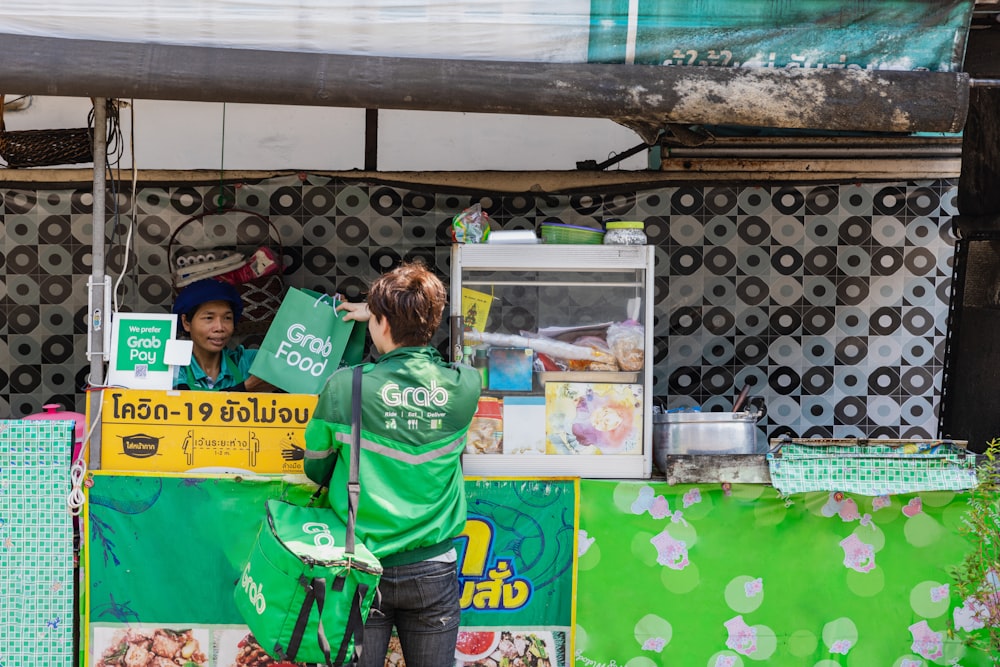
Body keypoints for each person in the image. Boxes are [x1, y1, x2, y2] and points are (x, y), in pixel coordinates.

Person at [304, 262, 481, 667]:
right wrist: (389, 317)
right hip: (434, 568)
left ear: (380, 322)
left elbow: (315, 467)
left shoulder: (345, 386)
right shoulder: (464, 385)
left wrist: (380, 318)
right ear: (434, 322)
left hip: (362, 566)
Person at [171, 278, 275, 392]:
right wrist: (244, 388)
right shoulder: (173, 366)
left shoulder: (248, 362)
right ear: (186, 322)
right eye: (209, 318)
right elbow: (186, 404)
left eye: (227, 318)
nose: (220, 327)